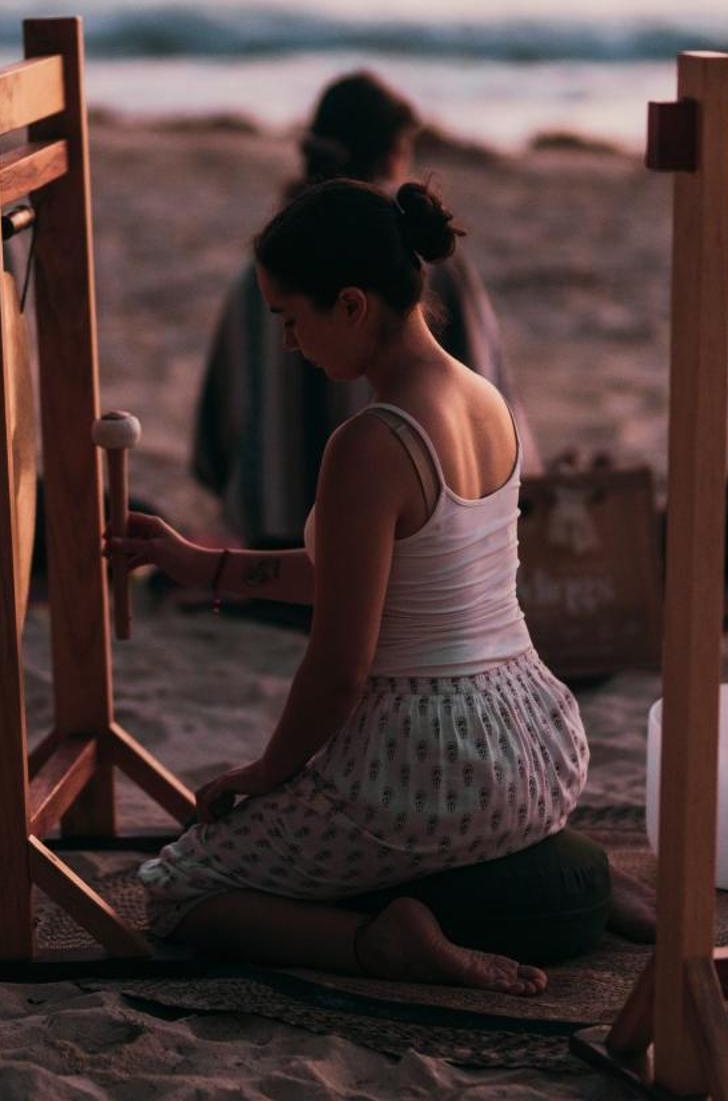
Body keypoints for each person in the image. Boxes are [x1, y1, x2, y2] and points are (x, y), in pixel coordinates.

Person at [113, 179, 651, 994]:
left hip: (431, 763)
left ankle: (383, 946)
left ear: (353, 304)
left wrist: (265, 773)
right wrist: (203, 564)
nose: (289, 344)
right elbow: (388, 579)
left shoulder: (371, 442)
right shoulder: (486, 400)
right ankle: (574, 890)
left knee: (182, 890)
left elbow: (340, 667)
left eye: (291, 318)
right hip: (538, 748)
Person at [192, 72, 532, 548]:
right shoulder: (423, 259)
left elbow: (216, 434)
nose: (290, 340)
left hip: (270, 527)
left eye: (292, 324)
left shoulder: (269, 266)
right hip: (404, 537)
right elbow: (488, 401)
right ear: (393, 155)